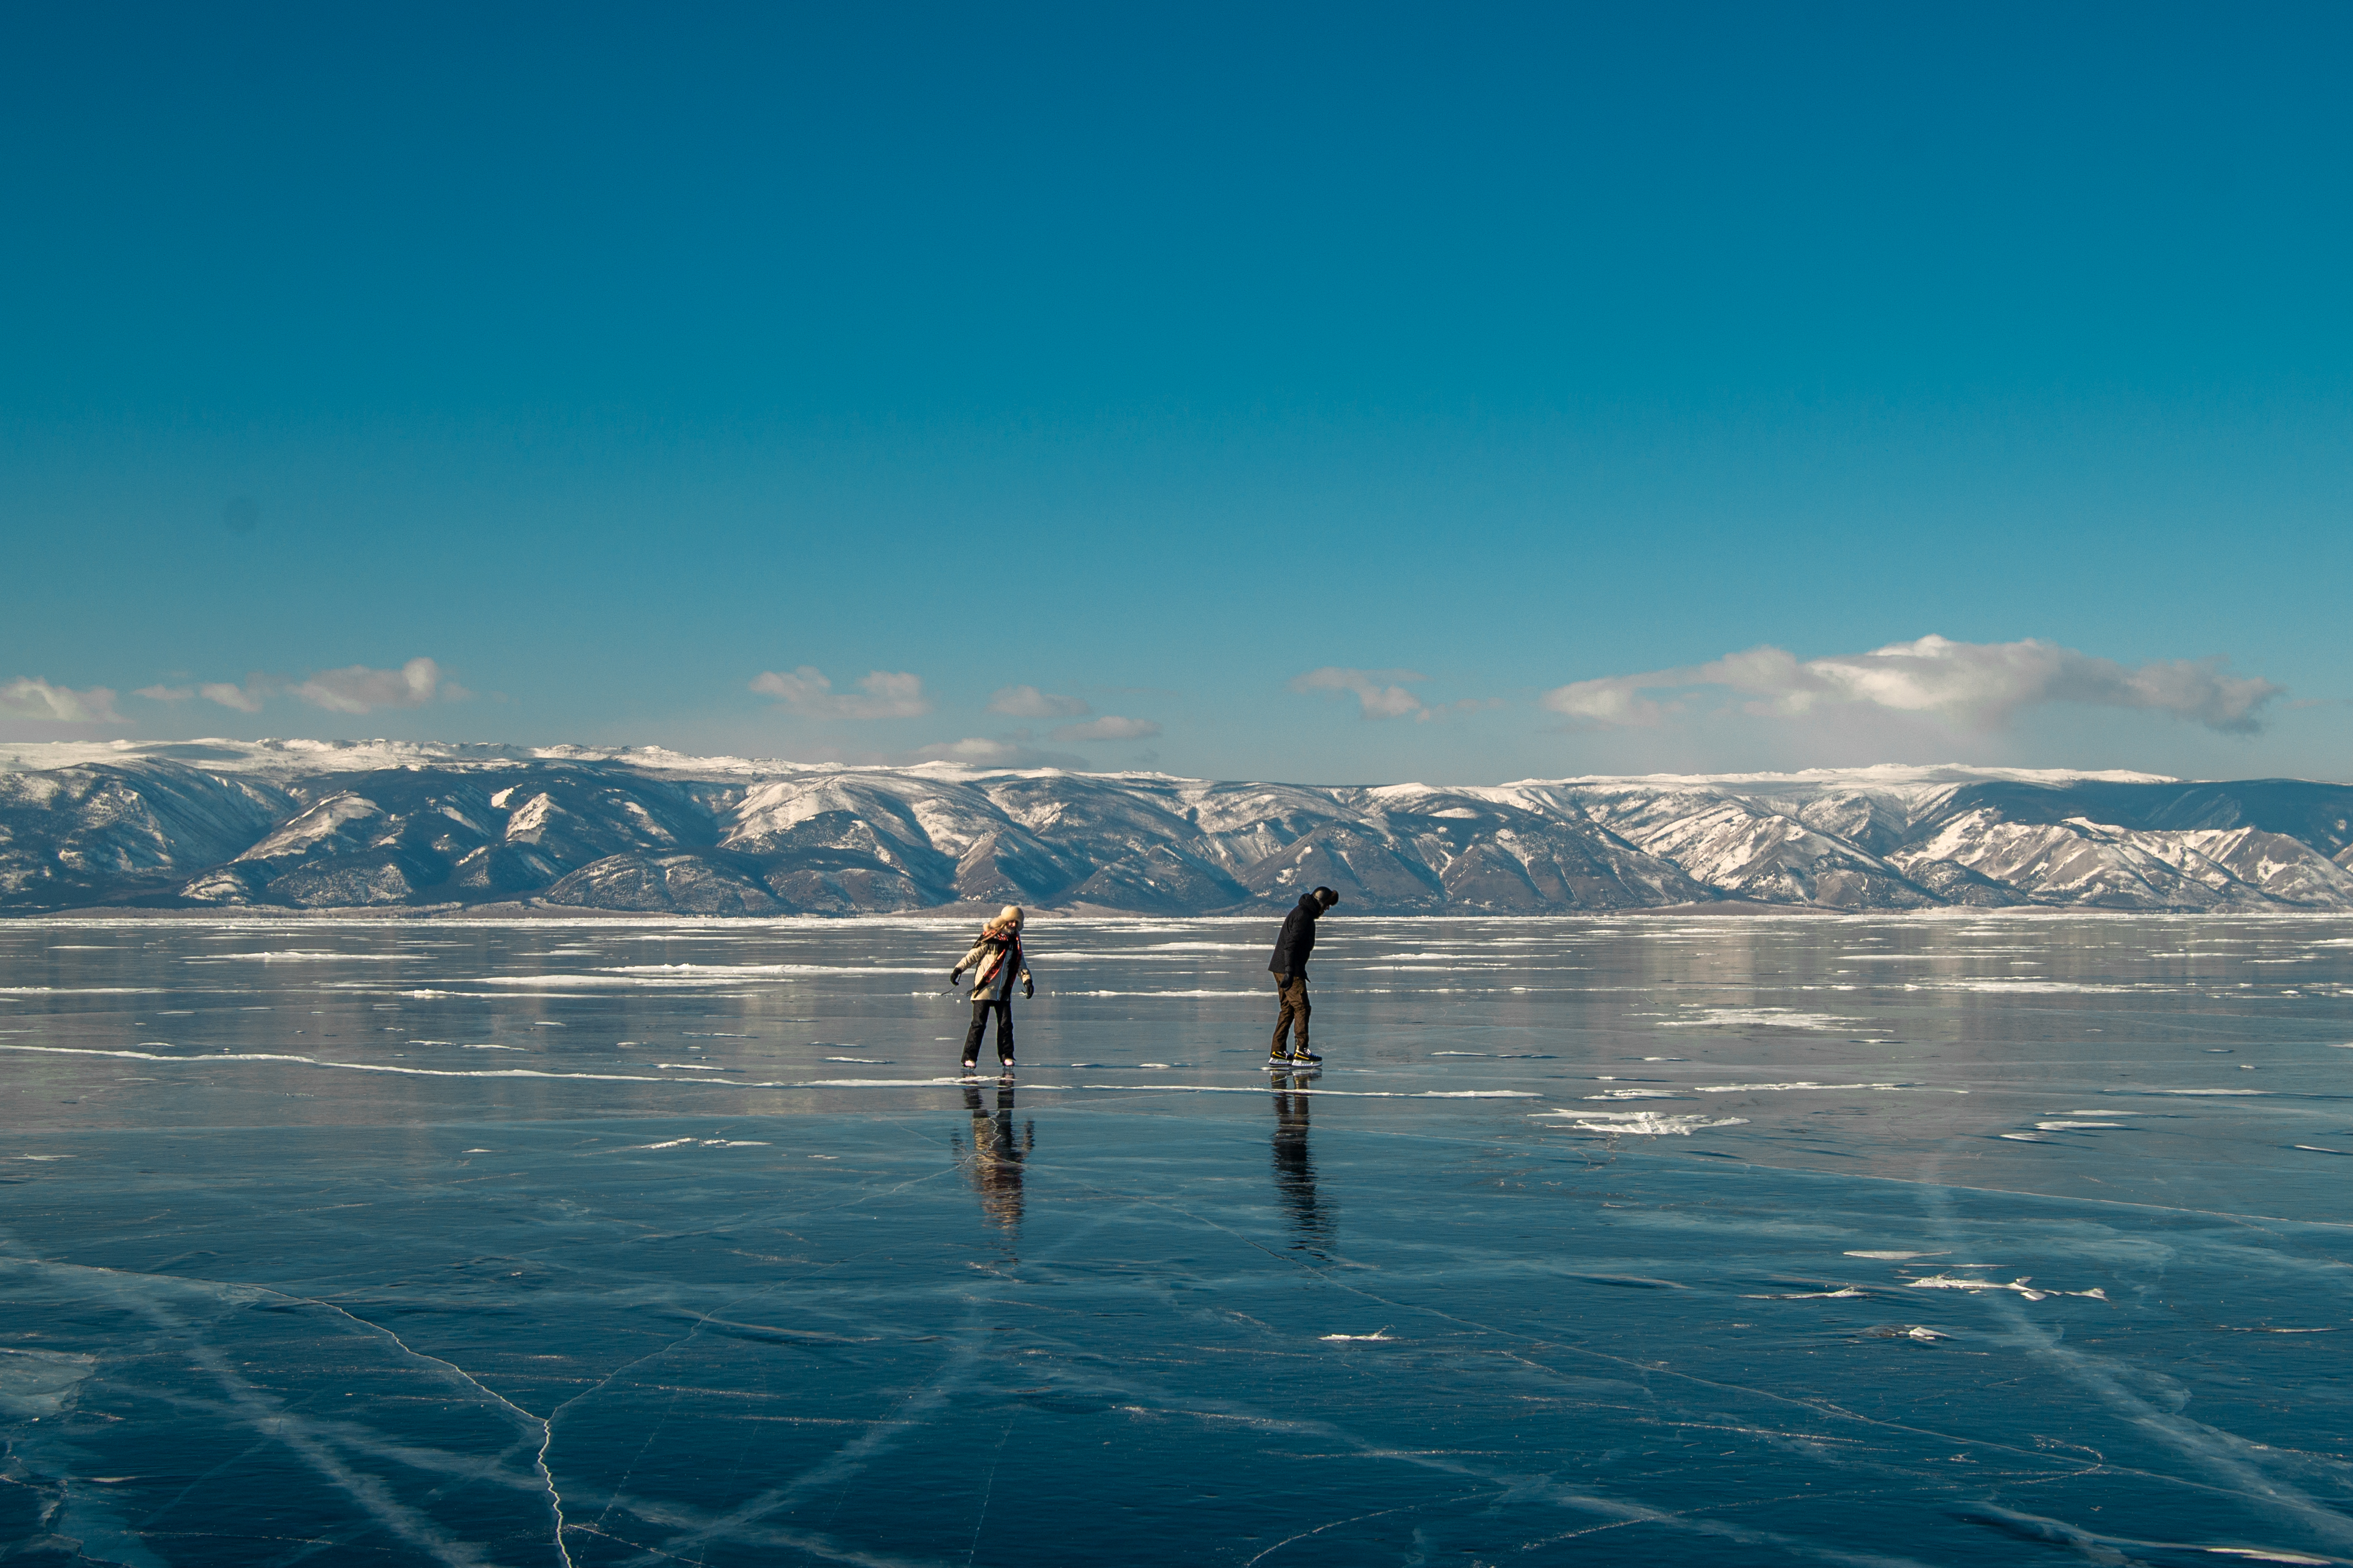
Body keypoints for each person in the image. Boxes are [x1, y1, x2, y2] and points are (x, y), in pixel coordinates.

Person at [951, 904, 1032, 1076]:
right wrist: (959, 969)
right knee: (979, 1024)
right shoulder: (991, 937)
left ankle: (1007, 1056)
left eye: (1016, 922)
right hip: (985, 989)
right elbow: (973, 955)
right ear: (1005, 921)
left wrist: (1027, 980)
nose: (1013, 925)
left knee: (1006, 1024)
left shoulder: (1015, 942)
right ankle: (969, 1058)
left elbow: (1020, 963)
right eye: (1010, 921)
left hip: (1003, 990)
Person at [1267, 885, 1338, 1066]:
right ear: (1320, 902)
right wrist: (1291, 971)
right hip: (1289, 969)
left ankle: (1278, 1051)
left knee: (1288, 1008)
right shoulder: (1303, 916)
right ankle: (1302, 1052)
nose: (1327, 909)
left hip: (1281, 967)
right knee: (1302, 1007)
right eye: (1327, 905)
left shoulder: (1302, 912)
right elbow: (1290, 945)